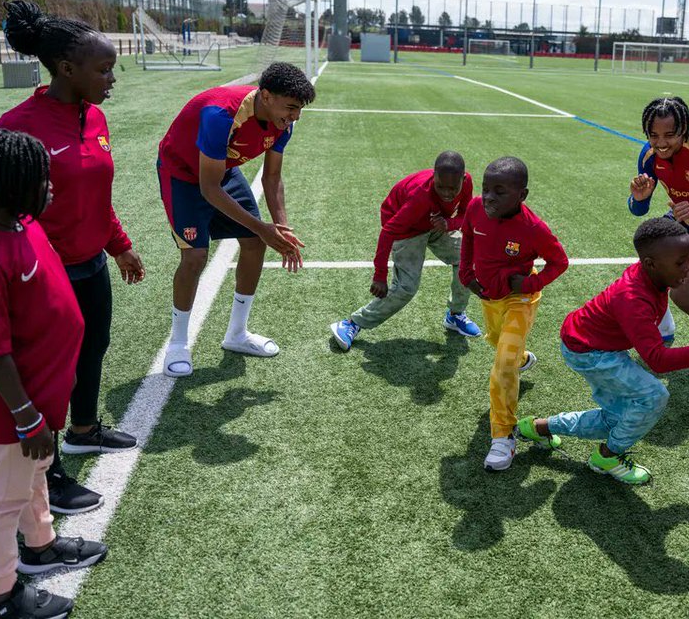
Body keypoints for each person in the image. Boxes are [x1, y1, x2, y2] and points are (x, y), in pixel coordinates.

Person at [0, 129, 109, 619]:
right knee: (4, 497)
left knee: (34, 472)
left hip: (40, 388)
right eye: (41, 178)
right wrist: (24, 416)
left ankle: (40, 546)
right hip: (14, 400)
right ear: (8, 185)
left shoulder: (21, 224)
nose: (51, 185)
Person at [0, 0, 144, 517]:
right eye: (103, 69)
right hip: (44, 274)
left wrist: (118, 242)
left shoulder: (96, 116)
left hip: (92, 263)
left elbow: (97, 195)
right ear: (66, 68)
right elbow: (6, 215)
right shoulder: (18, 126)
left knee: (94, 346)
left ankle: (84, 430)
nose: (111, 78)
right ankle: (49, 472)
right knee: (49, 371)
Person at [517, 217, 689, 485]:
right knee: (654, 396)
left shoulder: (654, 268)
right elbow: (659, 361)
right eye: (680, 263)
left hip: (591, 344)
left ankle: (537, 428)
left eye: (687, 259)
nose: (688, 267)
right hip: (589, 352)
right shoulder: (634, 300)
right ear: (650, 264)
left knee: (617, 418)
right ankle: (608, 455)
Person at [157, 62, 315, 377]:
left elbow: (272, 178)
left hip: (221, 172)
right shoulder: (221, 115)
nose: (295, 116)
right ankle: (177, 344)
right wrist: (263, 227)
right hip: (183, 175)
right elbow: (208, 188)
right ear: (266, 96)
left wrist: (280, 229)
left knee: (255, 242)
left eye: (299, 110)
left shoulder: (282, 123)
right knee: (195, 256)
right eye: (291, 108)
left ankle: (237, 334)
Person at [459, 157, 568, 472]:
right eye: (486, 189)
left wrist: (532, 282)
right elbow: (467, 236)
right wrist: (466, 274)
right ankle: (521, 359)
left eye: (500, 191)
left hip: (520, 299)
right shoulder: (476, 208)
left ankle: (503, 436)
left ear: (522, 195)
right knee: (497, 343)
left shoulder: (534, 229)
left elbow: (559, 262)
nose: (489, 197)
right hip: (488, 296)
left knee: (502, 364)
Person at [330, 151, 478, 351]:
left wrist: (449, 223)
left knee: (468, 259)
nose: (446, 193)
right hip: (406, 230)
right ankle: (351, 324)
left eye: (453, 188)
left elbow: (465, 214)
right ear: (434, 176)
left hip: (434, 222)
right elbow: (388, 231)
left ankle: (454, 315)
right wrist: (380, 275)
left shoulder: (467, 182)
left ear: (463, 178)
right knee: (406, 288)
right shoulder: (420, 197)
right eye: (441, 186)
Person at [627, 97, 689, 327]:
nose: (660, 143)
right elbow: (638, 210)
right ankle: (660, 330)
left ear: (684, 130)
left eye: (669, 135)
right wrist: (638, 198)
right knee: (648, 260)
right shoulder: (648, 155)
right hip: (683, 226)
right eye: (653, 135)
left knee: (684, 294)